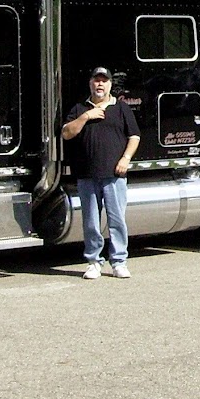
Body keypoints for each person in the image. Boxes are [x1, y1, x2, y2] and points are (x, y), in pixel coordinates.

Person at [61, 66, 141, 279]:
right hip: (87, 174)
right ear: (90, 84)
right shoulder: (80, 108)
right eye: (96, 80)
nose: (100, 84)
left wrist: (125, 159)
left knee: (117, 220)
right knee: (91, 222)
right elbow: (67, 133)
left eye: (104, 81)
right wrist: (86, 116)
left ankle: (119, 262)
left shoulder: (121, 108)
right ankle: (94, 262)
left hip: (114, 174)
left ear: (110, 85)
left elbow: (134, 136)